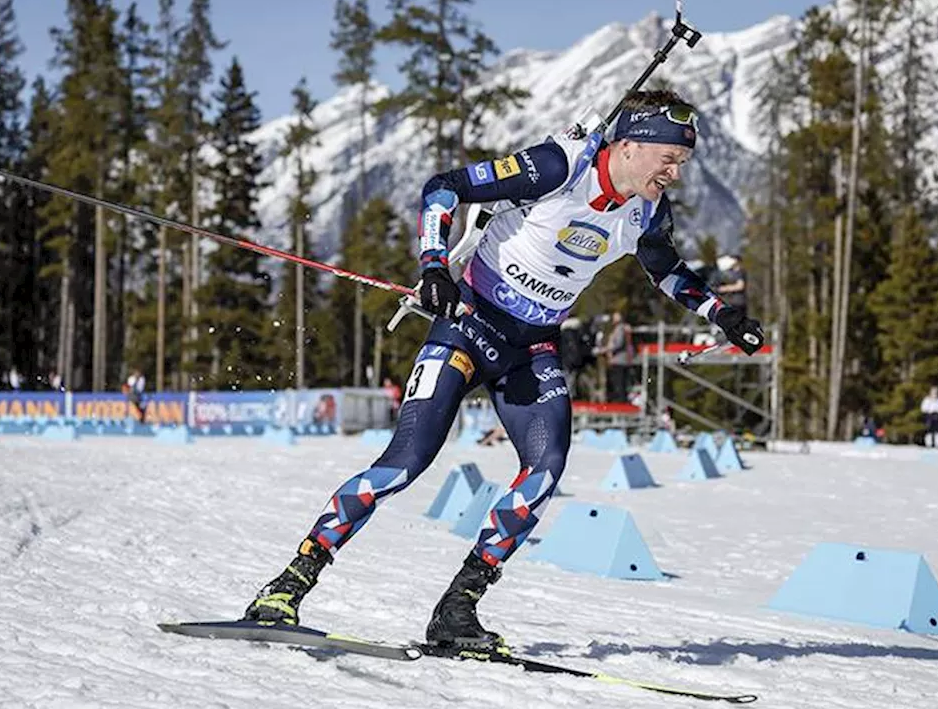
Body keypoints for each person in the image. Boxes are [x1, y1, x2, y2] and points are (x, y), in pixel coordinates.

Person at [241, 90, 765, 652]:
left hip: (534, 345)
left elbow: (667, 269)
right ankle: (287, 586)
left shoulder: (646, 208)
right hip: (469, 326)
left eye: (682, 164)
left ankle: (457, 611)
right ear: (630, 143)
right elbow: (444, 186)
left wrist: (722, 314)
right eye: (669, 158)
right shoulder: (560, 166)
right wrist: (434, 265)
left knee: (544, 470)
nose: (675, 173)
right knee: (405, 463)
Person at [597, 311, 634, 403]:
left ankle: (620, 403)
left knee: (619, 384)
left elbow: (618, 343)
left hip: (619, 360)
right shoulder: (620, 328)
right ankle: (620, 401)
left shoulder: (620, 328)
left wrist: (606, 349)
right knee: (619, 383)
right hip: (620, 360)